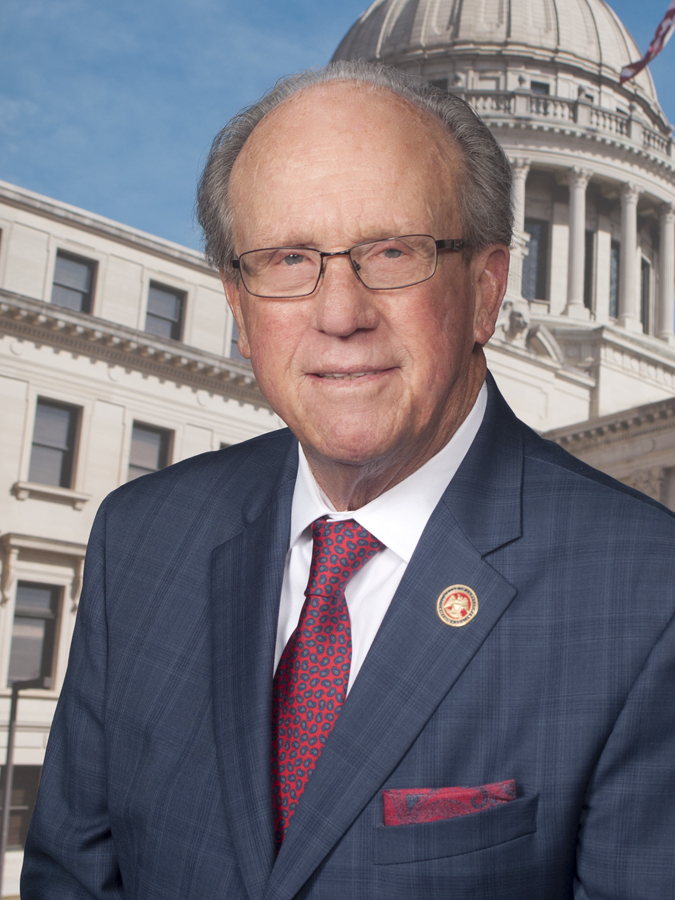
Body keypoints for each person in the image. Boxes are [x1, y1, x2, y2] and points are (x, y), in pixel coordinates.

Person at [22, 60, 675, 900]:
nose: (339, 314)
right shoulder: (141, 536)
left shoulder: (646, 592)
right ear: (238, 307)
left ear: (485, 290)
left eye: (392, 251)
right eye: (289, 258)